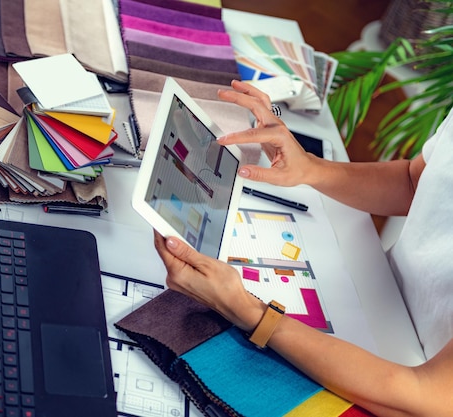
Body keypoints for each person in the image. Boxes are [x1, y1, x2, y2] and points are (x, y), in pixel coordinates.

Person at [153, 79, 453, 417]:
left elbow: (425, 398)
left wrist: (247, 310)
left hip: (394, 381)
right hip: (378, 309)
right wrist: (310, 167)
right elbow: (415, 182)